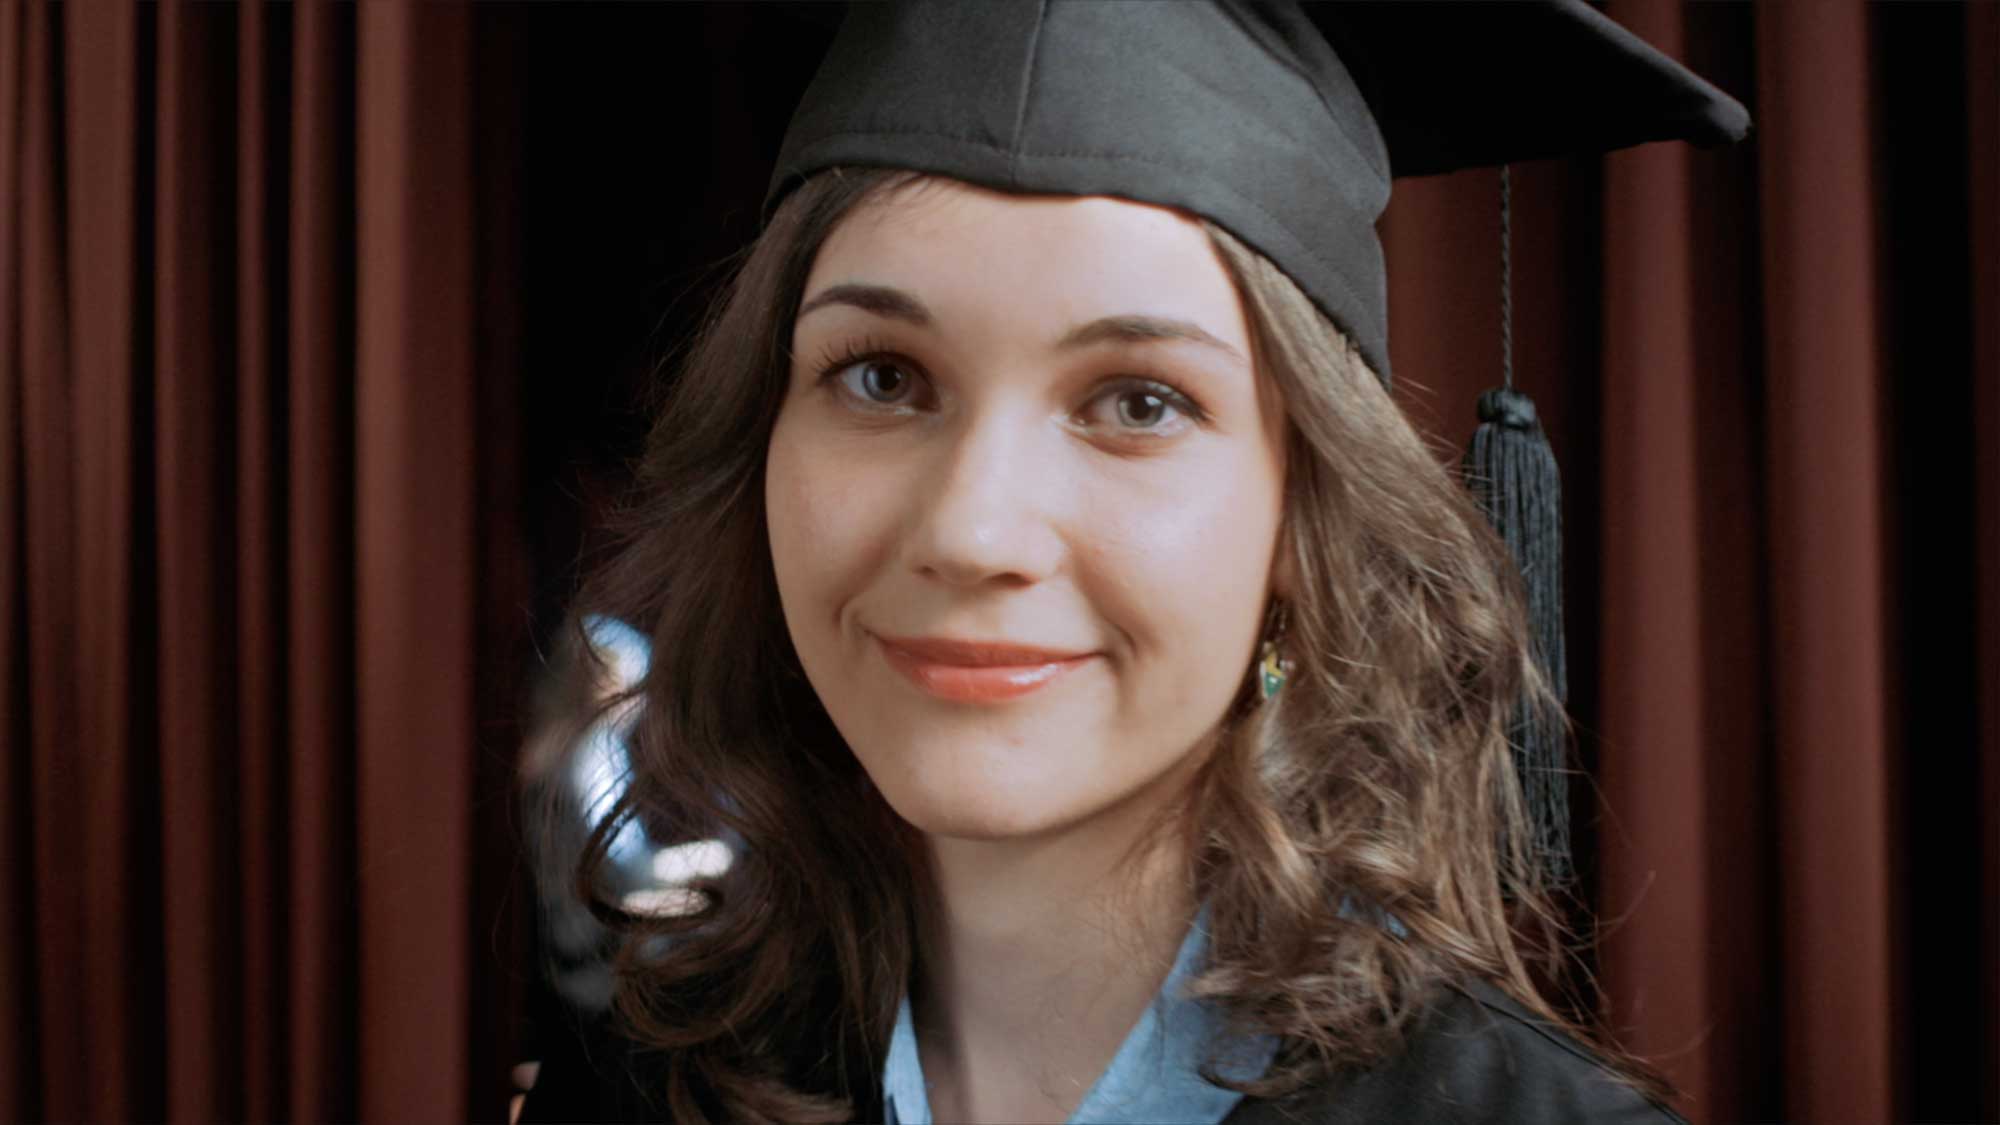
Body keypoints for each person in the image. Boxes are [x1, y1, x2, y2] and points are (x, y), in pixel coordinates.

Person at [518, 3, 1748, 1122]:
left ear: (1303, 527)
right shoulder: (644, 1078)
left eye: (1138, 402)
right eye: (881, 378)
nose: (971, 530)